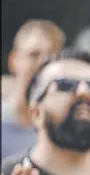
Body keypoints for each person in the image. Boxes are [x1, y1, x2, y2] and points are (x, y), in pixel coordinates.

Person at [2, 19, 65, 159]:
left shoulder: (65, 131)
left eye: (51, 56)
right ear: (13, 60)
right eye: (34, 54)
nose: (42, 63)